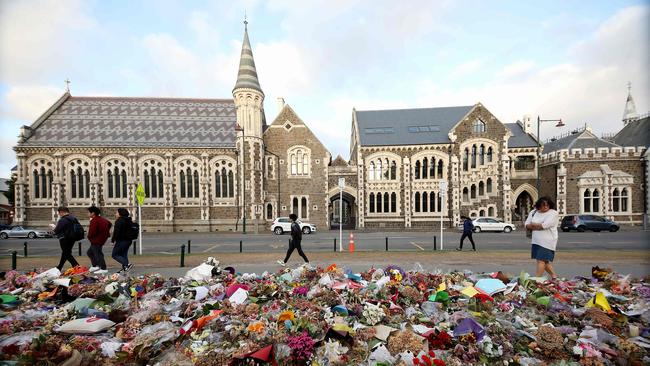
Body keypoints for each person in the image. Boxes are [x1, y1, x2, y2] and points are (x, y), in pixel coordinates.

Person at [525, 196, 559, 279]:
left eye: (547, 205)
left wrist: (534, 225)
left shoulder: (553, 213)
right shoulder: (533, 212)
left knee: (541, 260)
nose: (545, 207)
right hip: (536, 240)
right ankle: (554, 276)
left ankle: (537, 279)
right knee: (544, 261)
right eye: (543, 205)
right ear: (539, 205)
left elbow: (545, 225)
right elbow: (526, 225)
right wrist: (538, 225)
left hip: (548, 241)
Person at [50, 206, 81, 271]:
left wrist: (53, 228)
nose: (59, 214)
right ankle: (60, 267)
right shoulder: (73, 218)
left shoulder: (62, 220)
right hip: (72, 238)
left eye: (59, 213)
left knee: (67, 253)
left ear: (61, 212)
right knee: (65, 253)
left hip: (64, 238)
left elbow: (57, 230)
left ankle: (76, 266)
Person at [86, 206, 111, 273]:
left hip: (96, 240)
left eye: (88, 212)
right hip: (100, 239)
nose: (87, 214)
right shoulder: (101, 219)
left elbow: (92, 232)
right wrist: (105, 232)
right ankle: (95, 266)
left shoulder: (94, 220)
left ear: (93, 213)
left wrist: (89, 236)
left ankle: (103, 268)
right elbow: (109, 224)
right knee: (90, 252)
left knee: (98, 254)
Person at [112, 208, 134, 273]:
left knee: (115, 254)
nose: (115, 214)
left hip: (122, 240)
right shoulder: (129, 220)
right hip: (128, 240)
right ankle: (125, 269)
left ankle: (127, 265)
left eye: (116, 213)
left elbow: (116, 232)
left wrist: (113, 240)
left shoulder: (119, 221)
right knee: (123, 254)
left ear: (120, 213)